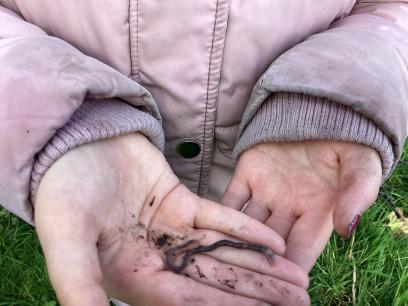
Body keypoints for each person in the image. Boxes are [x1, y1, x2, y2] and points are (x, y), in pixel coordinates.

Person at [0, 1, 407, 305]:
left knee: (232, 269)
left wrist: (331, 96)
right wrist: (70, 121)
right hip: (119, 195)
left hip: (256, 183)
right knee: (141, 274)